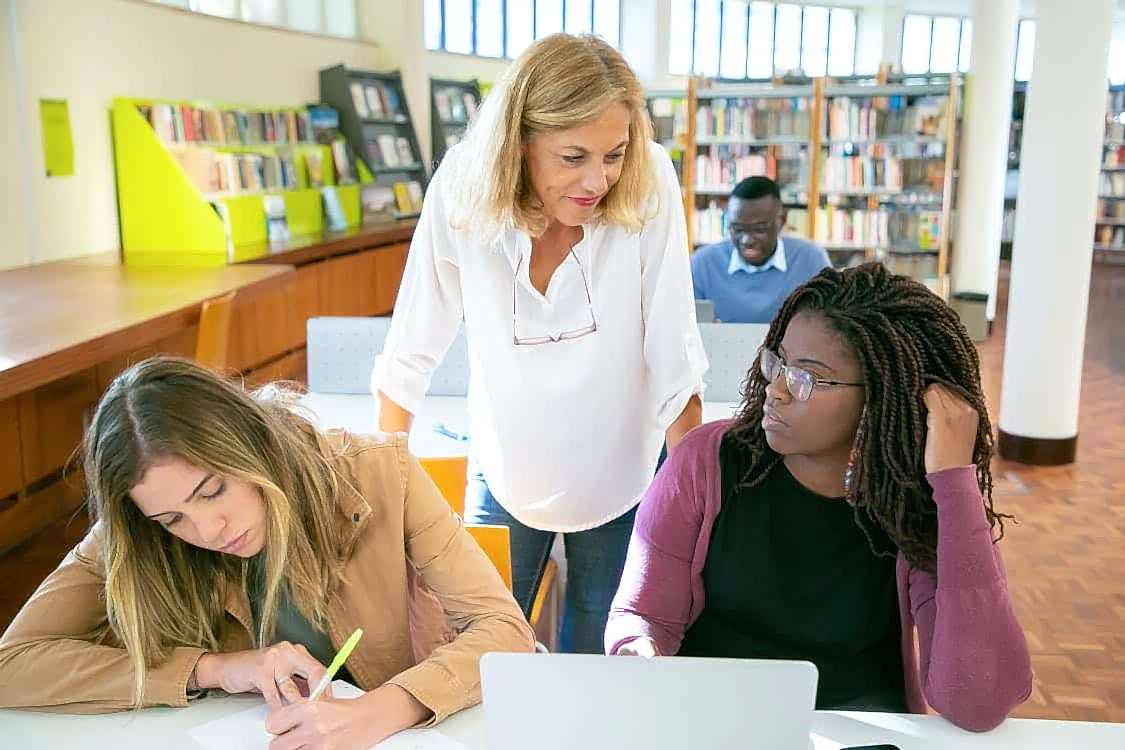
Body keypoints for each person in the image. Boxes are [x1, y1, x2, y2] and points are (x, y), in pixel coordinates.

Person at [0, 357, 534, 748]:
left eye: (212, 491)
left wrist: (379, 712)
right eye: (172, 520)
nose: (208, 529)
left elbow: (504, 629)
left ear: (250, 443)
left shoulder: (378, 472)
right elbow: (12, 664)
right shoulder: (137, 530)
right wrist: (217, 669)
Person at [373, 34, 707, 654]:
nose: (597, 179)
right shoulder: (461, 186)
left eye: (614, 154)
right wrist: (385, 494)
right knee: (482, 653)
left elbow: (672, 350)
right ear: (517, 144)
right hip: (505, 469)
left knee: (600, 653)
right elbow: (411, 345)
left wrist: (694, 510)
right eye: (573, 156)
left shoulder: (649, 177)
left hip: (622, 474)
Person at [606, 264, 1032, 732]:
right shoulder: (707, 461)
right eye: (778, 362)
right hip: (712, 716)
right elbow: (643, 614)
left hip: (862, 727)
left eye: (807, 377)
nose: (777, 388)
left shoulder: (919, 502)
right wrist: (637, 649)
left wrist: (955, 482)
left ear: (883, 395)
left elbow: (977, 701)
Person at [691, 176, 830, 323]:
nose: (747, 240)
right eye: (737, 229)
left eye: (759, 230)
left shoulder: (812, 259)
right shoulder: (702, 263)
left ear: (781, 222)